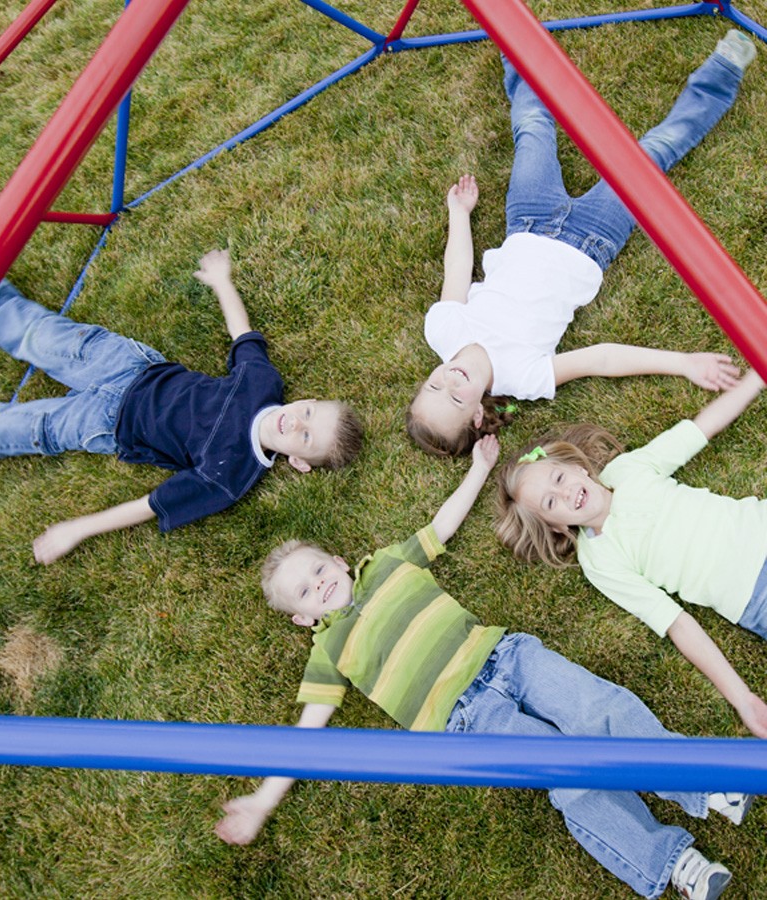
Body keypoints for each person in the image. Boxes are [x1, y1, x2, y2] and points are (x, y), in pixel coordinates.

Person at [215, 436, 750, 899]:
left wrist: (478, 469)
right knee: (570, 777)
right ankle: (673, 864)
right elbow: (306, 732)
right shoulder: (326, 653)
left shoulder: (385, 564)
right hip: (466, 724)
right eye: (304, 594)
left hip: (506, 656)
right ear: (303, 619)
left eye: (315, 570)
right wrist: (262, 802)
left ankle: (701, 784)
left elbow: (440, 528)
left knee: (601, 708)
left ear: (335, 560)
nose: (319, 585)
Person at [0, 249, 364, 563]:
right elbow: (244, 336)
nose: (296, 419)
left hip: (106, 425)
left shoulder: (229, 475)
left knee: (10, 428)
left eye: (305, 435)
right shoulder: (264, 385)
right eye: (309, 409)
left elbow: (151, 505)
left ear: (297, 462)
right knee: (41, 335)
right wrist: (222, 281)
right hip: (127, 368)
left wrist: (77, 529)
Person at [407, 31, 756, 457]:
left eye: (434, 384)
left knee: (533, 126)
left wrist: (458, 214)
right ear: (478, 416)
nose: (451, 380)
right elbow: (600, 360)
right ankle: (721, 73)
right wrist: (682, 363)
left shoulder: (443, 332)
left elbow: (457, 272)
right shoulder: (523, 378)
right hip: (593, 239)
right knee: (654, 153)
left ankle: (511, 39)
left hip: (527, 219)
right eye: (456, 398)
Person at [495, 368, 767, 740]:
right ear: (556, 527)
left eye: (559, 479)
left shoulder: (628, 470)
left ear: (577, 468)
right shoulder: (600, 562)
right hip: (753, 597)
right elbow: (678, 624)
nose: (566, 494)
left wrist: (755, 378)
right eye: (550, 502)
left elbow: (700, 429)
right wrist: (744, 699)